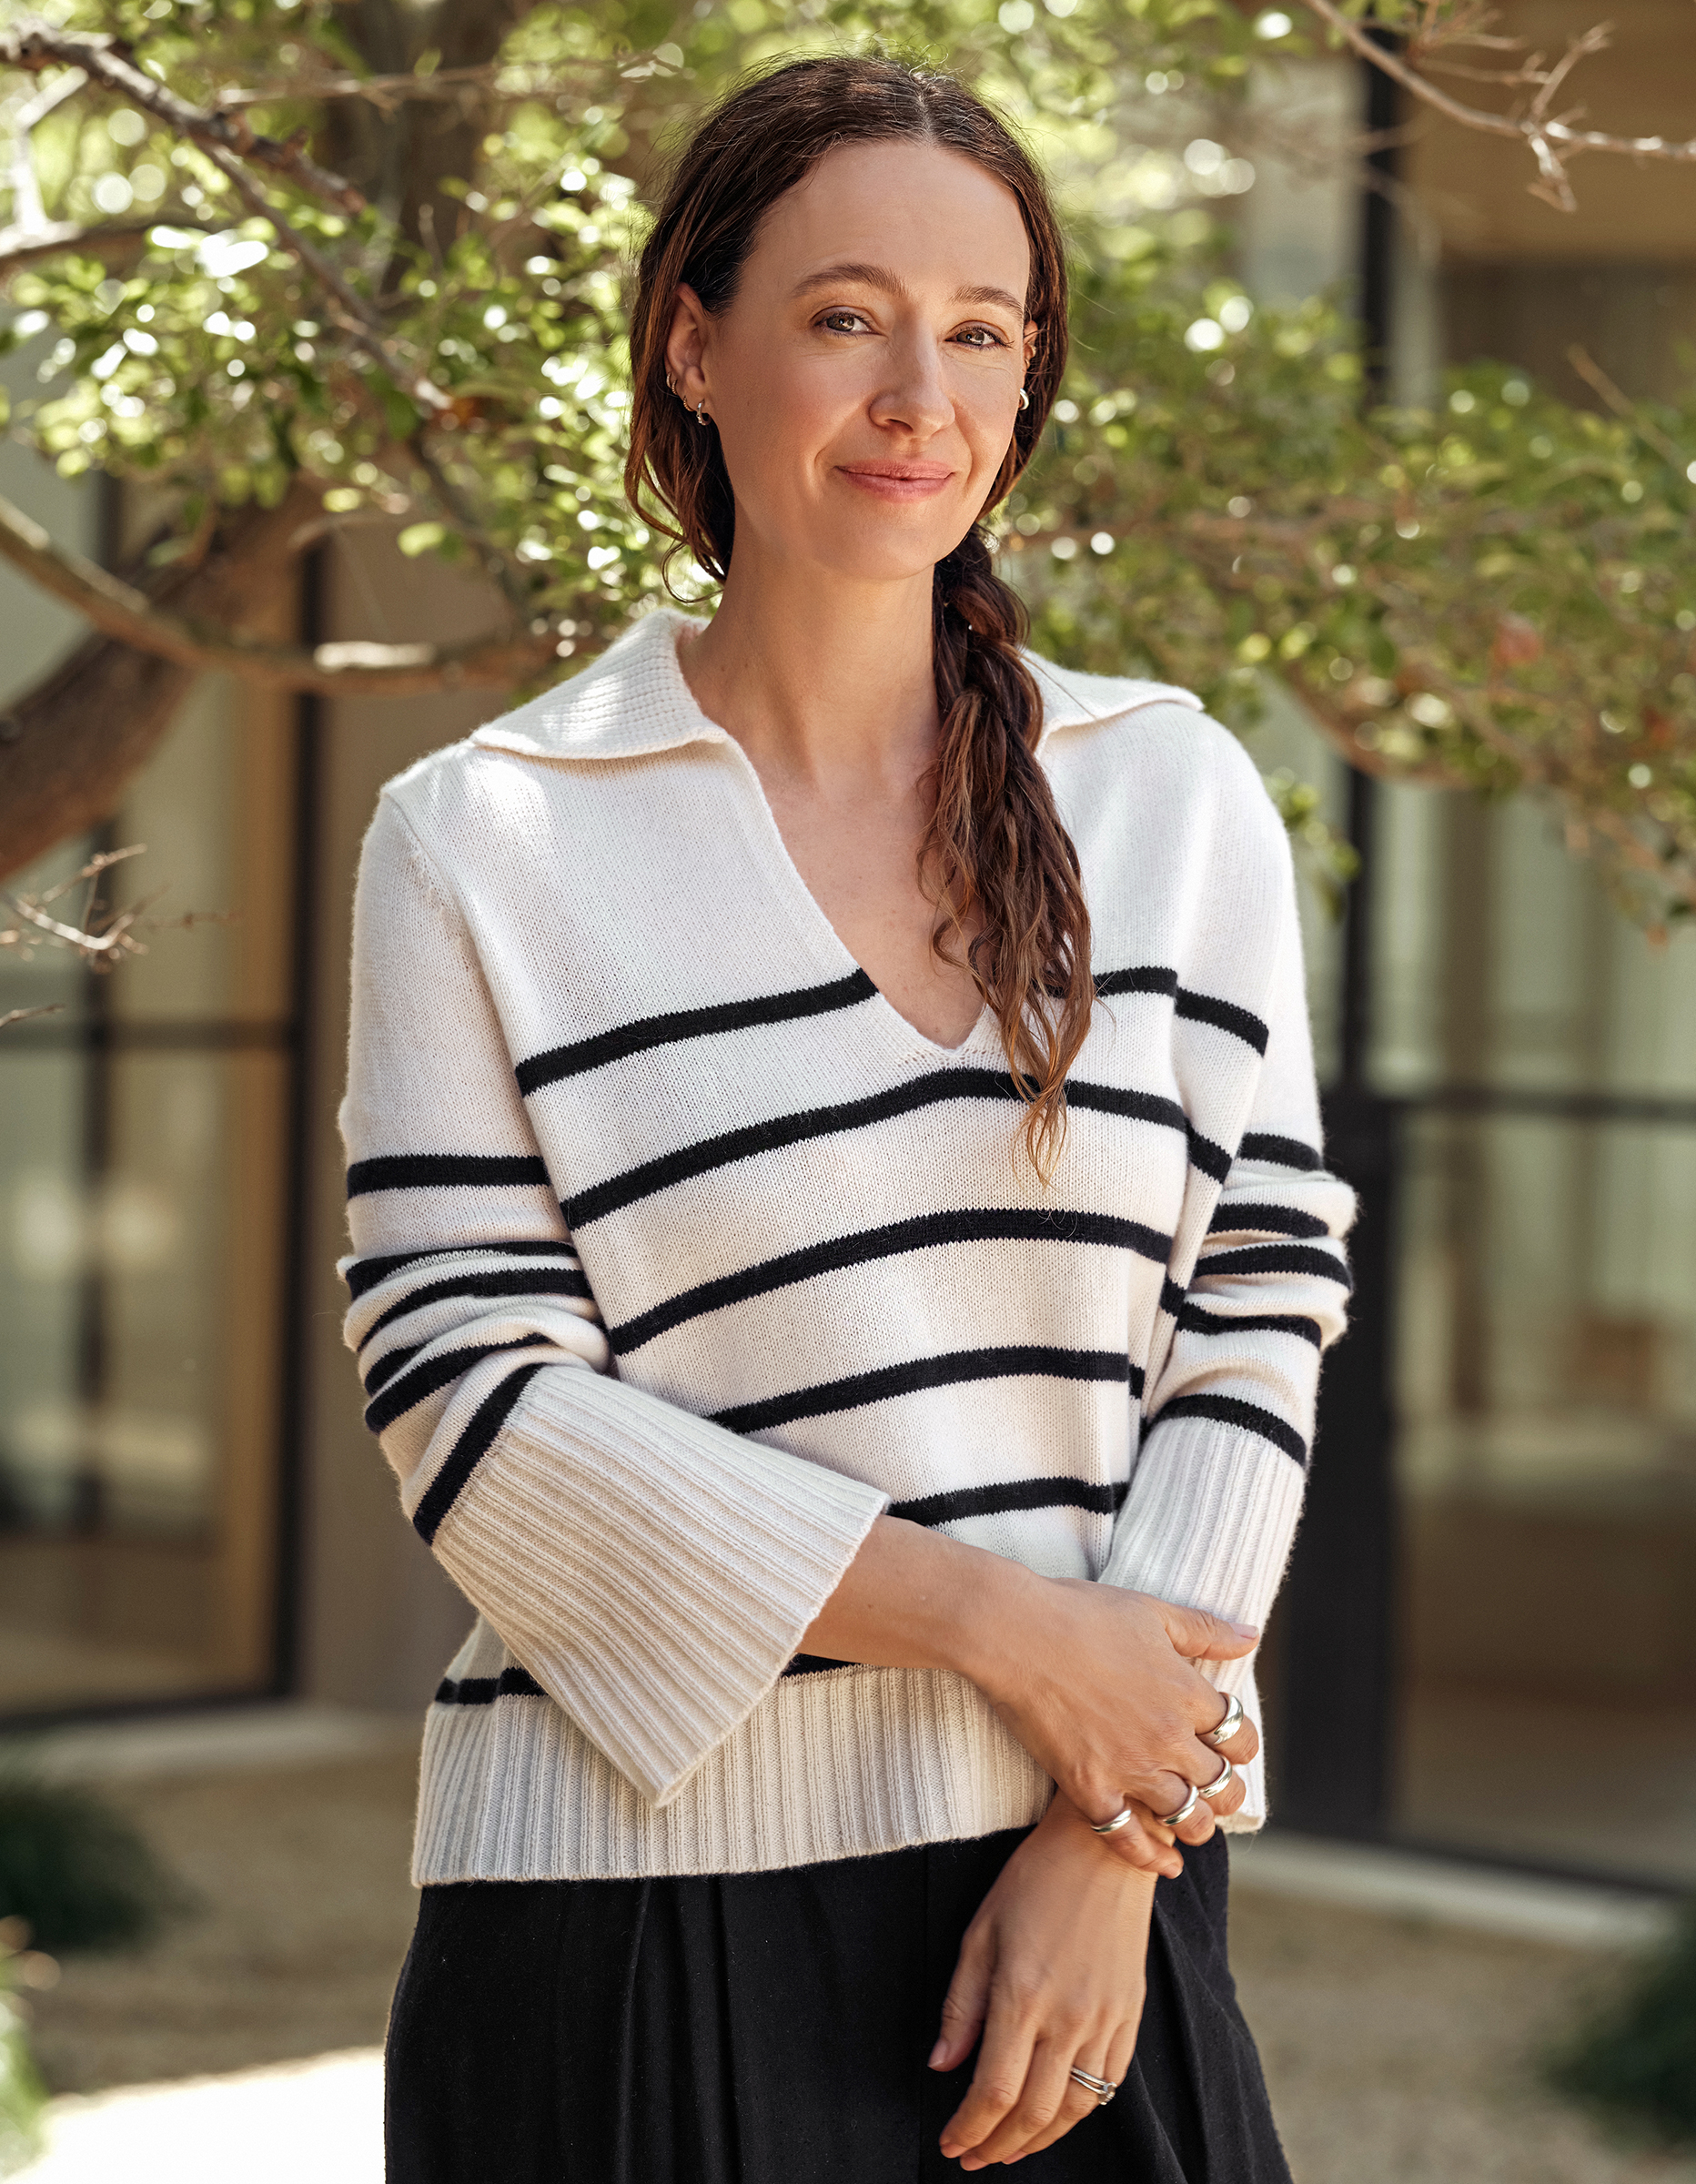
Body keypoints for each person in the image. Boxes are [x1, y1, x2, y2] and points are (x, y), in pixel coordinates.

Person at [339, 53, 1354, 2182]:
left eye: (982, 333)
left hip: (1095, 1901)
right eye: (845, 315)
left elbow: (1254, 1304)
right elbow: (466, 1395)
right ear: (693, 346)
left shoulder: (1166, 798)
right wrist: (1009, 1634)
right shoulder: (484, 836)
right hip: (624, 1915)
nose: (923, 392)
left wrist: (1111, 1819)